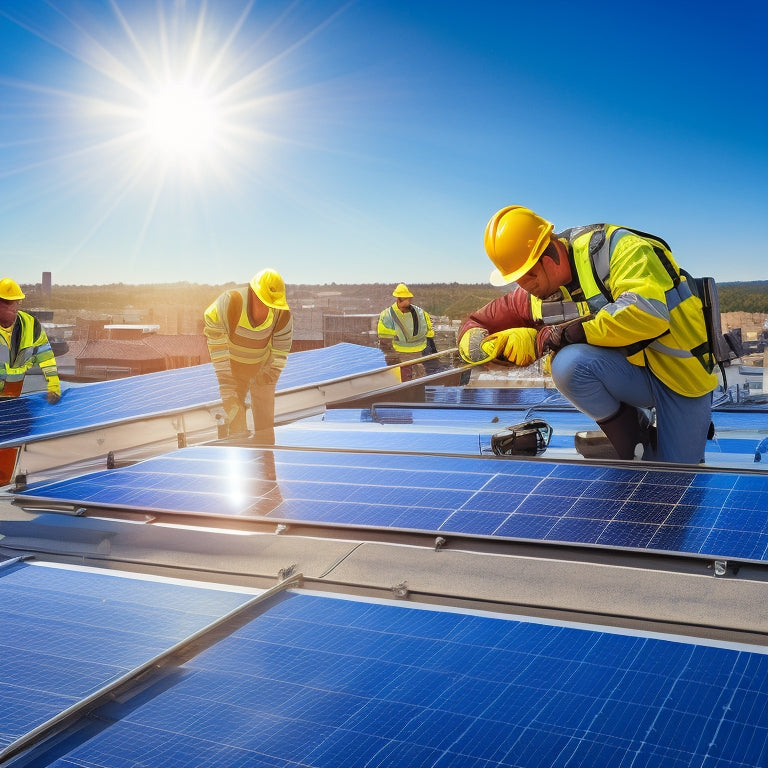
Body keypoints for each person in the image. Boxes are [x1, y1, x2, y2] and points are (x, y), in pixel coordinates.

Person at [458, 206, 718, 464]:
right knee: (567, 365)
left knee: (678, 474)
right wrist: (477, 345)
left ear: (549, 256)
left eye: (528, 276)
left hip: (680, 375)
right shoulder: (535, 291)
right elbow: (479, 321)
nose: (525, 287)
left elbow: (647, 313)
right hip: (632, 375)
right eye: (517, 279)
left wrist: (550, 336)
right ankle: (634, 435)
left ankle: (684, 425)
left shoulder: (619, 249)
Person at [204, 268, 293, 443]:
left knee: (266, 429)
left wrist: (265, 379)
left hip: (262, 368)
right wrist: (229, 391)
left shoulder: (282, 316)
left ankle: (266, 459)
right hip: (232, 369)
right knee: (236, 422)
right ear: (252, 293)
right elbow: (217, 348)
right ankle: (239, 454)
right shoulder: (230, 304)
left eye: (272, 304)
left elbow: (280, 354)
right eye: (264, 301)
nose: (269, 308)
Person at [0, 277, 61, 403]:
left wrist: (53, 386)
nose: (15, 308)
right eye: (12, 303)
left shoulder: (30, 325)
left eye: (17, 303)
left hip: (13, 397)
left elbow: (46, 357)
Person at [377, 283, 437, 381]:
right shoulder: (388, 315)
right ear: (399, 300)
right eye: (407, 299)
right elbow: (384, 338)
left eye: (409, 299)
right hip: (404, 352)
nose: (409, 301)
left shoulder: (419, 313)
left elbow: (430, 333)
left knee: (412, 376)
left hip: (414, 351)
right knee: (407, 375)